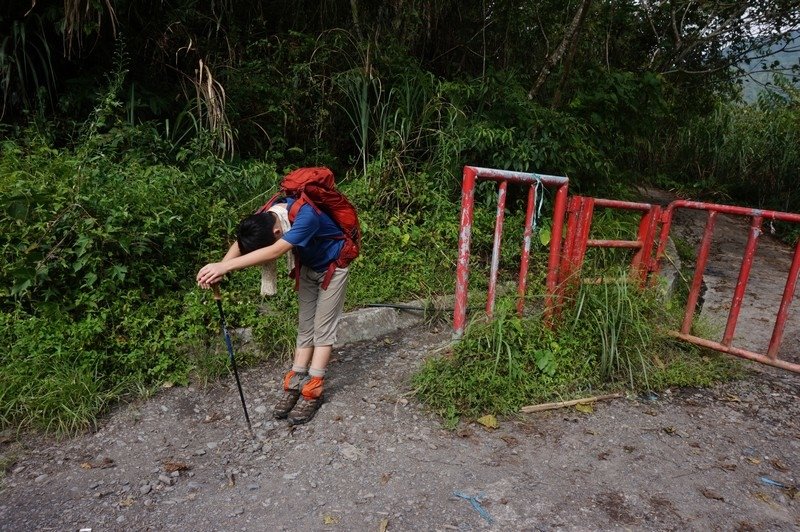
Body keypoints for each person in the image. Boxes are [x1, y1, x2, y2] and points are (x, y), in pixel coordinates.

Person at [196, 197, 350, 425]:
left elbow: (275, 252)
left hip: (333, 267)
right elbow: (242, 242)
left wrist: (225, 267)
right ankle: (296, 382)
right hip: (308, 267)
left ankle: (313, 389)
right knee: (305, 326)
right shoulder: (268, 214)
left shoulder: (305, 216)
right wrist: (219, 269)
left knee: (323, 329)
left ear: (278, 230)